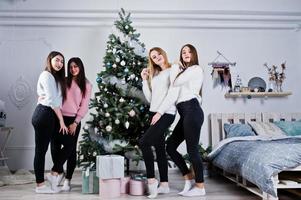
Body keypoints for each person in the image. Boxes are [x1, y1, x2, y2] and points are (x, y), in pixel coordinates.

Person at [154, 44, 205, 197]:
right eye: (183, 52)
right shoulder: (183, 72)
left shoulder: (195, 69)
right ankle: (188, 178)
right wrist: (160, 111)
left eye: (189, 51)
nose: (186, 54)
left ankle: (200, 187)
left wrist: (175, 66)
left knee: (192, 150)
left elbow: (175, 82)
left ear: (194, 54)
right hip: (185, 113)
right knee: (170, 147)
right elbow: (172, 91)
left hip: (193, 110)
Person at [47, 57, 92, 192]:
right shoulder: (64, 81)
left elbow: (84, 106)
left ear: (80, 67)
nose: (73, 69)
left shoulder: (86, 84)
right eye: (71, 67)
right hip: (58, 118)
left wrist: (75, 122)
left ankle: (68, 179)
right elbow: (54, 96)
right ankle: (59, 172)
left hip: (73, 120)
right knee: (54, 146)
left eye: (75, 66)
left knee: (71, 149)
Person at [139, 47, 177, 198]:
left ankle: (151, 181)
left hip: (166, 112)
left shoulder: (173, 69)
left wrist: (160, 113)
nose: (157, 57)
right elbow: (150, 99)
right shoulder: (156, 75)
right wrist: (144, 81)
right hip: (154, 112)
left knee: (144, 142)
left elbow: (172, 94)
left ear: (163, 53)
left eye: (158, 54)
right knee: (160, 148)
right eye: (153, 57)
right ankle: (165, 185)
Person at [32, 51, 68, 193]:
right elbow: (52, 101)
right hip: (45, 114)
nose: (59, 63)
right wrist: (62, 121)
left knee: (67, 142)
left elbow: (50, 97)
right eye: (57, 60)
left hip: (48, 114)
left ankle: (54, 173)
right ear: (50, 60)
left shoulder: (54, 78)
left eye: (61, 61)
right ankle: (40, 185)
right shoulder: (46, 75)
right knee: (40, 151)